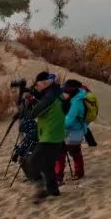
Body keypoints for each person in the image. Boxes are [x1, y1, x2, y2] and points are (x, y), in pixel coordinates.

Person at [26, 71, 65, 200]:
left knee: (32, 161)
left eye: (37, 84)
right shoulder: (56, 92)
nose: (36, 87)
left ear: (44, 83)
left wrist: (26, 107)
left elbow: (34, 113)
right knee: (48, 165)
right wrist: (35, 94)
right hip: (56, 134)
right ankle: (53, 191)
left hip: (50, 134)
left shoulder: (50, 96)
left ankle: (40, 188)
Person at [54, 79, 88, 184]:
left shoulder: (76, 102)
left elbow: (68, 121)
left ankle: (58, 178)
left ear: (71, 91)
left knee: (60, 152)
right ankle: (79, 173)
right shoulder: (76, 98)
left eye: (66, 91)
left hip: (73, 131)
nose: (64, 93)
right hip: (77, 131)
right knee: (75, 152)